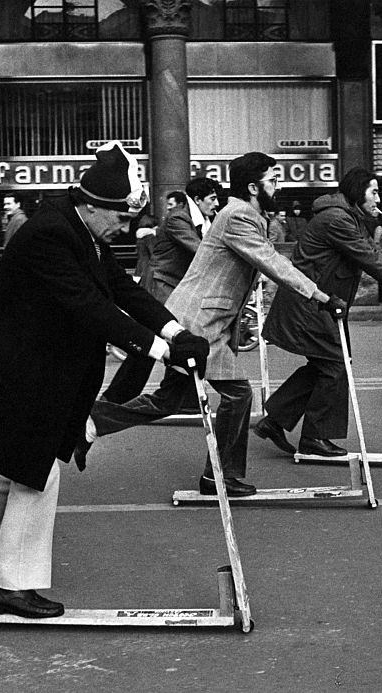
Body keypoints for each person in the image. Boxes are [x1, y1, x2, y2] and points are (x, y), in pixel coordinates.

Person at [0, 141, 207, 617]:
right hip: (4, 372)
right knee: (35, 471)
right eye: (119, 218)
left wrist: (175, 331)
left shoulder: (79, 228)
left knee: (15, 469)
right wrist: (161, 351)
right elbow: (89, 307)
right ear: (93, 205)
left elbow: (123, 288)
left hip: (25, 370)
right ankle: (10, 587)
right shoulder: (50, 233)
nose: (123, 227)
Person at [81, 152, 345, 496]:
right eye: (272, 180)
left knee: (167, 401)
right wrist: (319, 296)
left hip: (198, 317)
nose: (277, 186)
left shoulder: (246, 214)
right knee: (238, 394)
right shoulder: (238, 216)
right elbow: (271, 262)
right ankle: (221, 477)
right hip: (200, 321)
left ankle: (89, 423)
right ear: (253, 186)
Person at [255, 167, 382, 458]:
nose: (379, 198)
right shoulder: (337, 219)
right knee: (335, 365)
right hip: (309, 307)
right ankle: (314, 437)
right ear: (357, 192)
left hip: (318, 306)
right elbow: (371, 260)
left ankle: (276, 420)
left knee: (326, 365)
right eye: (374, 192)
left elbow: (378, 255)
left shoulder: (349, 217)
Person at [99, 189, 198, 405]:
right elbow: (197, 251)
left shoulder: (186, 220)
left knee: (169, 342)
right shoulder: (178, 219)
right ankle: (175, 396)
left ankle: (180, 396)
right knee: (157, 344)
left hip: (159, 282)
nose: (169, 207)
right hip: (162, 286)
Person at [131, 211, 157, 282]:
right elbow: (153, 252)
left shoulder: (140, 236)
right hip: (148, 267)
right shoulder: (150, 236)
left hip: (140, 265)